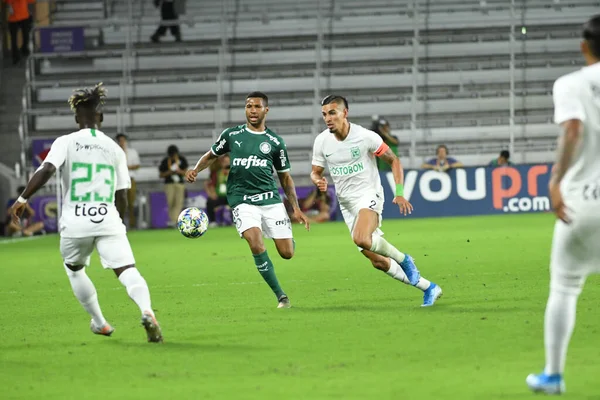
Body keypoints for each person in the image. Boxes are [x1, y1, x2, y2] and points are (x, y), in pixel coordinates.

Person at [8, 83, 163, 343]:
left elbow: (46, 170)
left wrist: (23, 197)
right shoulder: (115, 148)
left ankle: (101, 323)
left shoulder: (65, 142)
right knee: (127, 271)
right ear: (100, 117)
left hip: (75, 221)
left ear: (76, 118)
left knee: (75, 269)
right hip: (107, 219)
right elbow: (122, 195)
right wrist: (117, 222)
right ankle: (147, 311)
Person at [526, 14, 600, 395]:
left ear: (584, 47)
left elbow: (573, 129)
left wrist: (555, 180)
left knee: (565, 287)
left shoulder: (571, 84)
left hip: (584, 203)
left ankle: (553, 375)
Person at [311, 95, 442, 306]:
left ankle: (404, 259)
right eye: (324, 114)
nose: (328, 118)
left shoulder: (365, 137)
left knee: (361, 238)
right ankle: (429, 288)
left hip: (369, 194)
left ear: (345, 113)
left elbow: (393, 160)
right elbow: (315, 172)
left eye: (332, 112)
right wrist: (318, 180)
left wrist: (399, 192)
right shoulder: (321, 141)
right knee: (378, 261)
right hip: (347, 204)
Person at [185, 91, 310, 309]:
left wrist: (296, 208)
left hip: (270, 200)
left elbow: (285, 177)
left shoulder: (275, 142)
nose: (252, 110)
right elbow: (211, 155)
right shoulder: (232, 135)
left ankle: (285, 237)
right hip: (242, 200)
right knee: (255, 242)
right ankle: (281, 296)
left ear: (266, 110)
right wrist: (195, 169)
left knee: (287, 253)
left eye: (257, 107)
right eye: (249, 106)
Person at [159, 144, 188, 227]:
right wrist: (170, 171)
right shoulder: (165, 161)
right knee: (170, 202)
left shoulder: (181, 160)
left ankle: (174, 220)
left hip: (179, 183)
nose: (173, 156)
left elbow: (186, 172)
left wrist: (179, 171)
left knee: (178, 202)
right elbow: (161, 175)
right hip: (169, 184)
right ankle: (172, 220)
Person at [116, 134, 140, 228]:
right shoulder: (115, 151)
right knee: (119, 203)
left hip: (130, 179)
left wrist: (125, 167)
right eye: (120, 141)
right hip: (118, 180)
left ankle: (132, 224)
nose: (122, 142)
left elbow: (137, 165)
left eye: (123, 140)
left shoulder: (132, 152)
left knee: (131, 202)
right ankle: (120, 223)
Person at [4, 0, 33, 65]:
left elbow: (30, 2)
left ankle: (24, 50)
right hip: (13, 19)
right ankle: (16, 57)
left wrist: (31, 13)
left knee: (26, 36)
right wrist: (9, 5)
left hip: (25, 17)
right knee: (13, 39)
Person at [204, 154, 230, 226]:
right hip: (219, 196)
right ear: (221, 163)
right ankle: (213, 221)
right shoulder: (217, 173)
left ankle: (236, 221)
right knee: (210, 202)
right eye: (225, 161)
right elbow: (212, 185)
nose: (227, 163)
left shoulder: (234, 172)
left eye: (228, 161)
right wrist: (212, 193)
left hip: (231, 196)